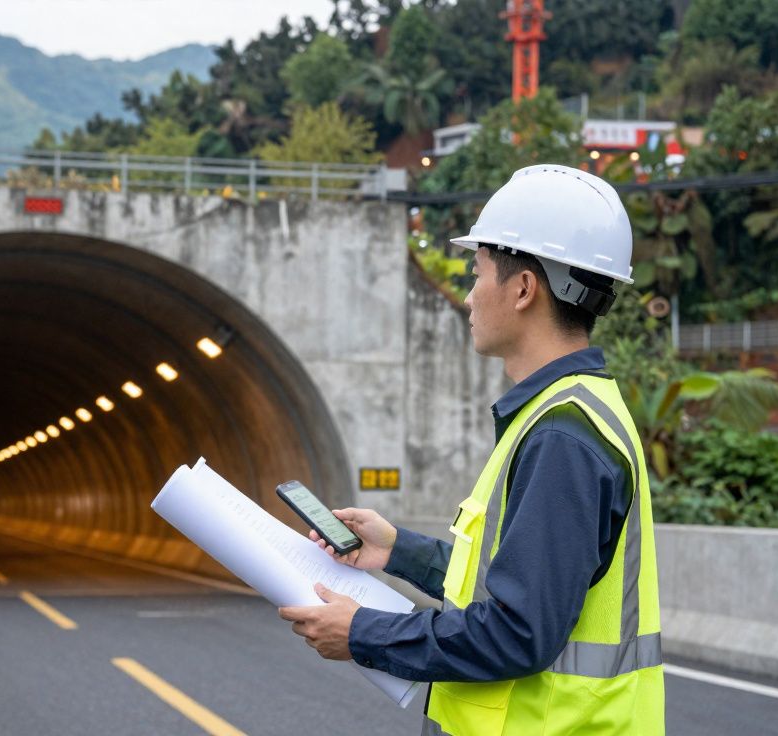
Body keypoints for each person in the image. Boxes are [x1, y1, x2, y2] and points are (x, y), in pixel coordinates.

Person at [279, 164, 665, 735]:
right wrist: (396, 551)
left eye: (477, 271)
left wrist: (362, 632)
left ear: (524, 288)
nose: (467, 294)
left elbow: (517, 631)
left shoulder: (562, 435)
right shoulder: (571, 411)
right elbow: (507, 581)